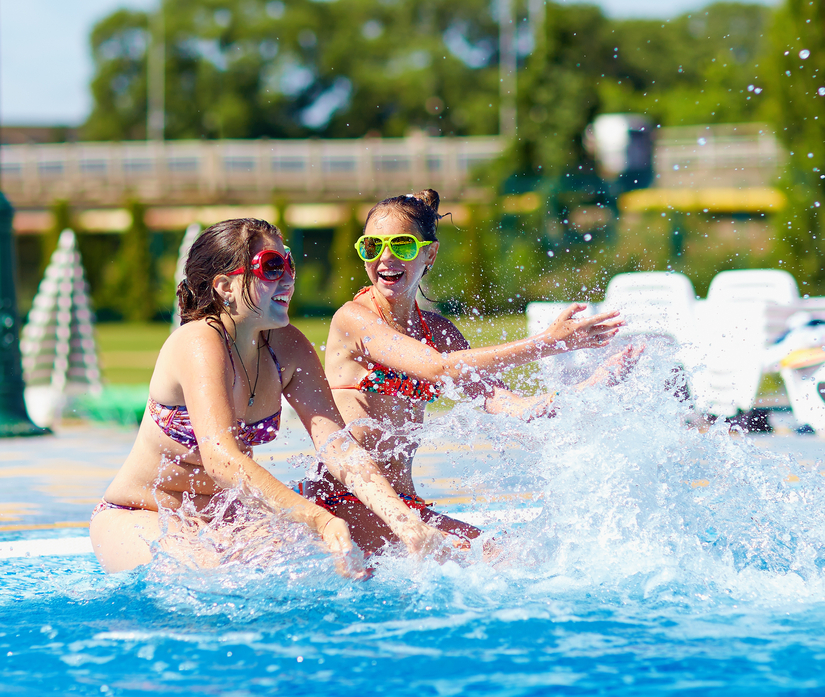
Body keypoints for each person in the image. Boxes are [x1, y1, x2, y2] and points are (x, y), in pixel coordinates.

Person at [90, 218, 448, 578]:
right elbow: (222, 460)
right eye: (272, 266)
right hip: (142, 515)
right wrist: (320, 520)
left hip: (226, 517)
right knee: (218, 578)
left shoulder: (287, 347)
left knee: (330, 569)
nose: (289, 278)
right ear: (225, 286)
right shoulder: (198, 342)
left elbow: (339, 447)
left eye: (289, 263)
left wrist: (404, 522)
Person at [313, 190, 640, 553]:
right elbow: (438, 369)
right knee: (491, 558)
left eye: (402, 246)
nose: (385, 257)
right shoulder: (354, 320)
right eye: (372, 245)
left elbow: (508, 404)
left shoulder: (438, 332)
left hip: (405, 507)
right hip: (344, 501)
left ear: (429, 253)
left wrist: (589, 388)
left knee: (517, 554)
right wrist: (547, 342)